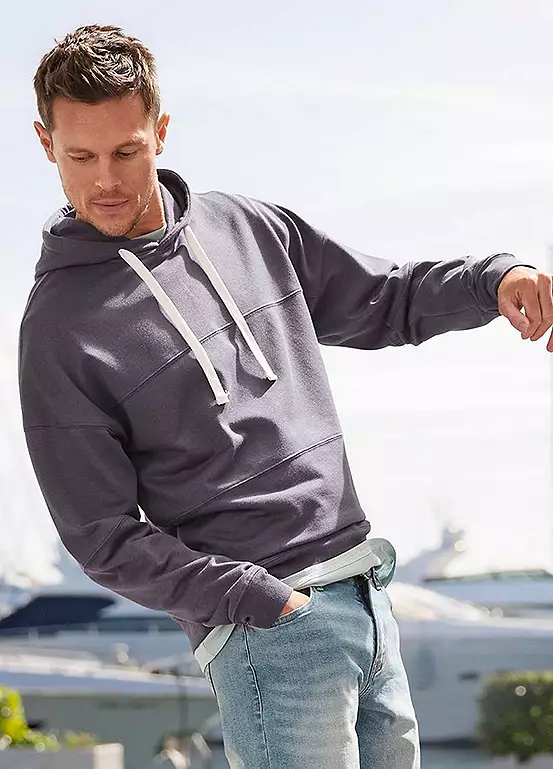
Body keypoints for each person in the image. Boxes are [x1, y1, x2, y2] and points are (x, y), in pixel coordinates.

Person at [19, 24, 553, 769]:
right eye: (81, 157)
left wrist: (493, 280)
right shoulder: (60, 327)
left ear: (160, 132)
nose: (105, 180)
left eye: (126, 151)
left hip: (362, 588)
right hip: (268, 629)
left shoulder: (247, 228)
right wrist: (256, 599)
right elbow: (101, 538)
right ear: (46, 143)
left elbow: (387, 300)